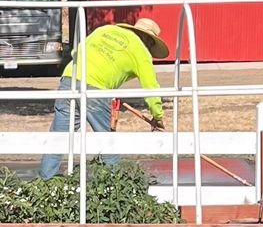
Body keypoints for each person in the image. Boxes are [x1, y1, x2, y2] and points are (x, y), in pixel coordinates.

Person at [38, 13, 169, 178]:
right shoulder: (141, 51)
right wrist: (158, 116)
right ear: (149, 41)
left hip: (70, 78)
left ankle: (44, 181)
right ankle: (115, 188)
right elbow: (151, 88)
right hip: (96, 88)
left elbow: (77, 51)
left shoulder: (105, 30)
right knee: (107, 141)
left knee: (59, 137)